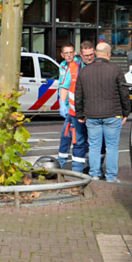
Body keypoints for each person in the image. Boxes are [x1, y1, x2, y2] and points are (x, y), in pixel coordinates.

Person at [75, 42, 131, 182]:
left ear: (95, 53)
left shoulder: (84, 71)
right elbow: (124, 92)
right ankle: (111, 177)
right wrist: (126, 112)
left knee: (94, 146)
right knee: (112, 147)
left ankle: (94, 175)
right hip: (113, 113)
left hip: (92, 114)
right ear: (108, 54)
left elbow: (78, 95)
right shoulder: (116, 69)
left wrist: (80, 114)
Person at [56, 44, 87, 172]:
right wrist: (61, 103)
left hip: (75, 108)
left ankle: (73, 166)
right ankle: (62, 162)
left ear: (75, 53)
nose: (69, 55)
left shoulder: (78, 65)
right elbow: (62, 85)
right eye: (66, 53)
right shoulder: (63, 65)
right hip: (69, 106)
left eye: (71, 52)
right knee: (67, 135)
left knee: (75, 136)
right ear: (62, 55)